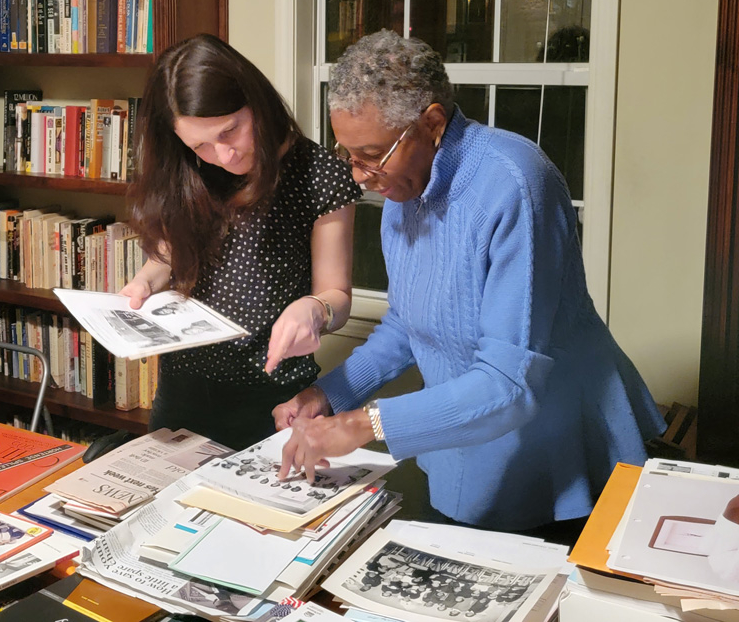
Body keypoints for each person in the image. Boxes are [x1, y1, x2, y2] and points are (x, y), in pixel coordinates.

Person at [275, 29, 664, 535]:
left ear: (432, 123)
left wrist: (361, 425)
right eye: (348, 154)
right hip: (464, 434)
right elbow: (407, 322)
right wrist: (329, 395)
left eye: (371, 154)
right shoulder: (402, 188)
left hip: (556, 441)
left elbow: (508, 382)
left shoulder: (517, 183)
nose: (359, 175)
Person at [121, 34, 361, 449]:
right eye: (200, 145)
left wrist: (316, 308)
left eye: (230, 130)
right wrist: (144, 282)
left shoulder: (319, 173)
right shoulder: (191, 171)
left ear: (256, 101)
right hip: (184, 391)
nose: (223, 155)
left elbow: (336, 296)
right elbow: (169, 255)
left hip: (278, 399)